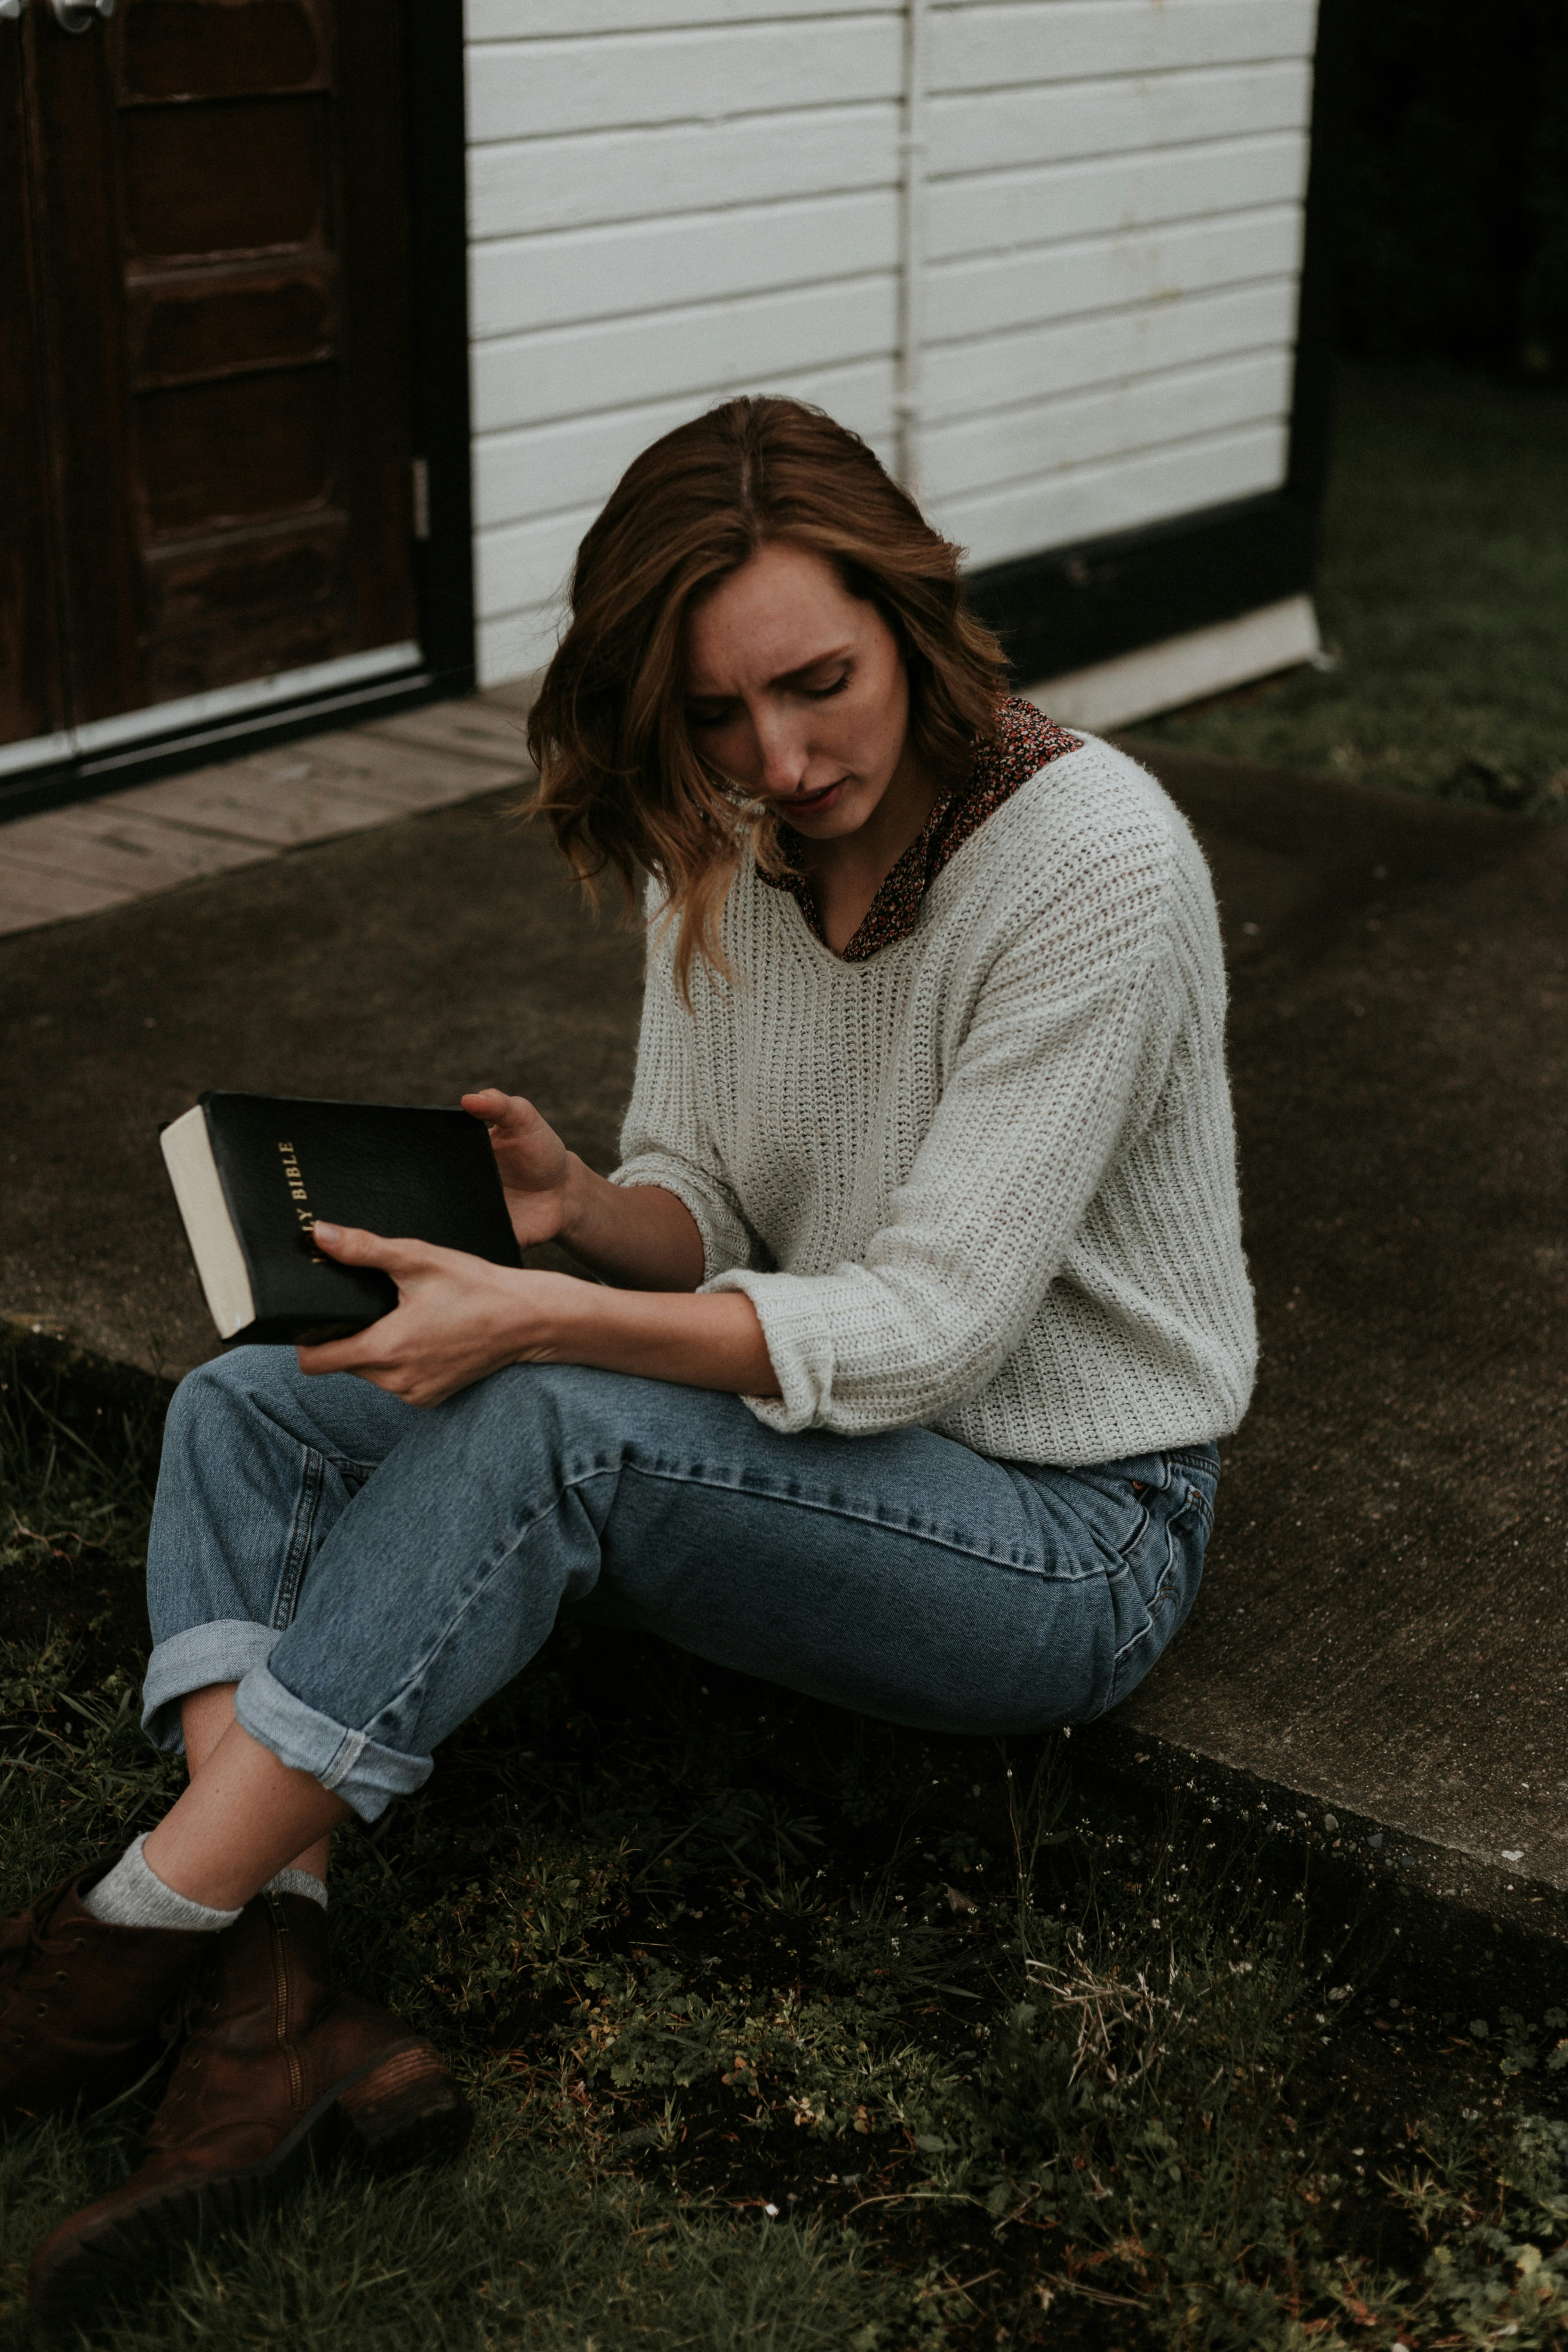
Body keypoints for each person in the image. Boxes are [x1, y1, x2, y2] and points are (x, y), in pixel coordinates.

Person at [3, 397, 1256, 2319]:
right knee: (260, 1395)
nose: (781, 757)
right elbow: (715, 1216)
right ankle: (274, 2010)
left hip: (1066, 1526)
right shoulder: (733, 843)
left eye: (821, 685)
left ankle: (123, 1947)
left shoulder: (1095, 866)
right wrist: (586, 1212)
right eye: (713, 717)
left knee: (565, 1419)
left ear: (913, 618)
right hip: (821, 1432)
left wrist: (553, 1317)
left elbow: (929, 1329)